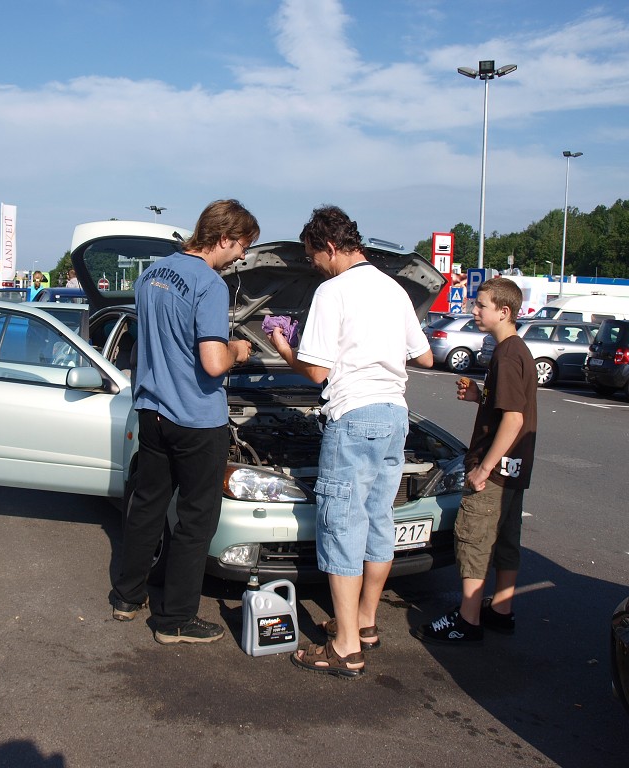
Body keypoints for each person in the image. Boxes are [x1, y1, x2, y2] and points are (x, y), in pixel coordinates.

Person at [267, 205, 433, 678]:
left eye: (311, 255)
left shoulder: (333, 291)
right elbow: (423, 358)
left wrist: (284, 349)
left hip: (353, 417)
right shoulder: (394, 288)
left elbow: (317, 370)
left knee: (342, 524)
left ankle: (343, 648)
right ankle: (364, 624)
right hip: (395, 415)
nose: (312, 264)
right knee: (378, 520)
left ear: (331, 248)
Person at [111, 199, 258, 645]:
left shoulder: (151, 274)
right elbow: (213, 363)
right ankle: (175, 620)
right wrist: (238, 349)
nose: (241, 257)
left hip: (153, 413)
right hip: (196, 420)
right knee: (196, 522)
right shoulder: (209, 285)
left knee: (148, 508)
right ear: (226, 238)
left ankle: (127, 597)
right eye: (242, 247)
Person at [415, 277, 538, 645]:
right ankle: (501, 611)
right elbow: (509, 407)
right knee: (505, 540)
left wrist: (483, 468)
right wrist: (480, 398)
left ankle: (466, 621)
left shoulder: (507, 353)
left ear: (504, 311)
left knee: (474, 540)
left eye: (481, 305)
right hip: (515, 470)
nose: (473, 311)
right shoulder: (518, 351)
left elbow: (514, 419)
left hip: (495, 471)